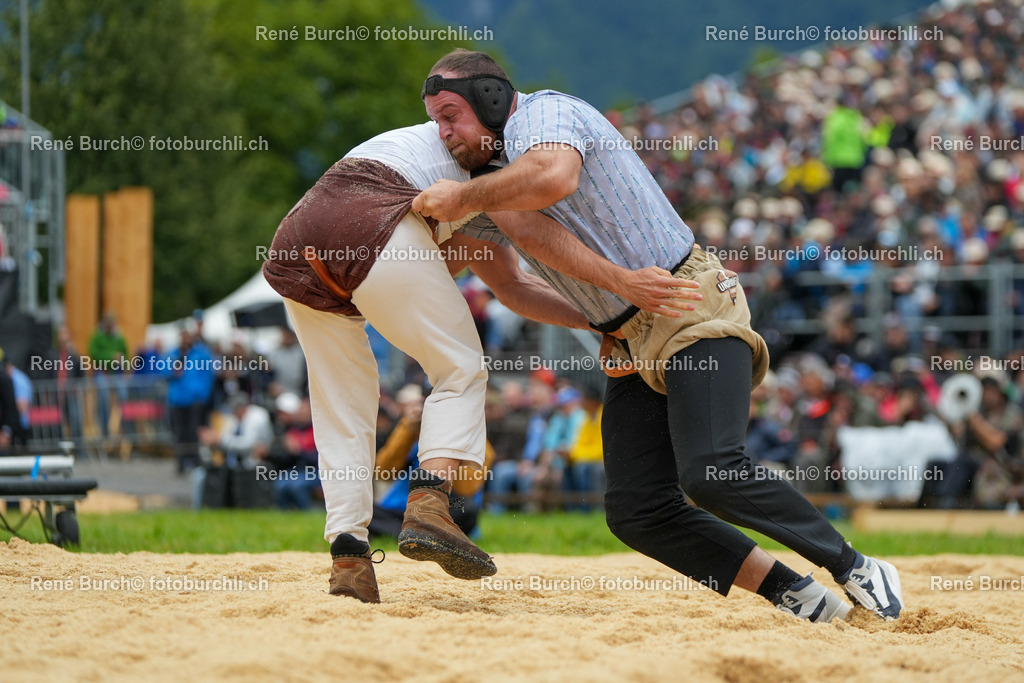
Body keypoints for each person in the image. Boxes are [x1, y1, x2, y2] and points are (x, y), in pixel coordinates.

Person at [413, 49, 904, 621]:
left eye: (450, 115)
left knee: (712, 472)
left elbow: (552, 175)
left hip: (686, 300)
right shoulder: (488, 186)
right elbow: (514, 289)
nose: (443, 133)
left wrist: (461, 198)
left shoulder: (543, 115)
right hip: (631, 336)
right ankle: (798, 594)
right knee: (636, 510)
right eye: (435, 122)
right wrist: (598, 319)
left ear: (491, 98)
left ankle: (855, 566)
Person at [262, 117, 688, 603]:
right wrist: (618, 309)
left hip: (298, 238)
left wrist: (601, 323)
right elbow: (530, 249)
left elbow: (511, 285)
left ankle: (349, 560)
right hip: (370, 222)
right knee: (460, 369)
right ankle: (428, 502)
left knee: (341, 406)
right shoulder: (499, 165)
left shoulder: (457, 160)